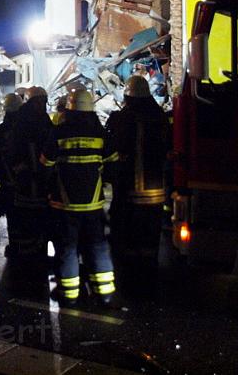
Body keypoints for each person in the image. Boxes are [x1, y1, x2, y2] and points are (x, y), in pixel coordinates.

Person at [40, 88, 118, 306]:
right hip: (93, 205)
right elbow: (113, 164)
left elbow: (45, 165)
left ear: (69, 108)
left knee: (67, 249)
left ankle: (70, 294)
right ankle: (105, 293)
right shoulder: (100, 133)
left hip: (63, 205)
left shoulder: (59, 132)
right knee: (97, 246)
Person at [105, 75, 171, 275]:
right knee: (150, 230)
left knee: (127, 229)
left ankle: (129, 267)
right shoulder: (159, 117)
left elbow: (112, 149)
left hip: (128, 189)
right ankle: (148, 263)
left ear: (129, 95)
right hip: (154, 191)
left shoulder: (122, 118)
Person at [6, 86, 52, 260]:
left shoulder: (44, 120)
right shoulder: (22, 122)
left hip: (41, 180)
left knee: (41, 216)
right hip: (26, 181)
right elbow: (13, 150)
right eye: (38, 101)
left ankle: (38, 250)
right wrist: (21, 169)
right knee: (27, 217)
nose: (41, 105)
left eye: (43, 101)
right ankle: (26, 253)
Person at [0, 93, 23, 222]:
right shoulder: (27, 127)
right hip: (26, 184)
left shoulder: (2, 130)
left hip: (7, 182)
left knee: (12, 217)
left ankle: (14, 242)